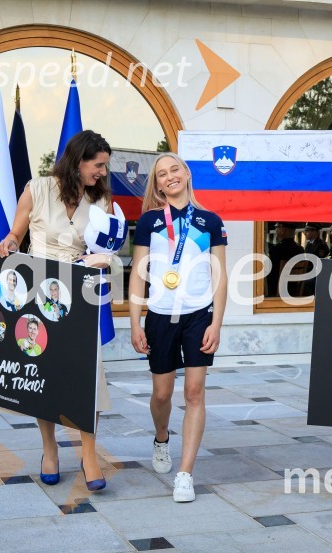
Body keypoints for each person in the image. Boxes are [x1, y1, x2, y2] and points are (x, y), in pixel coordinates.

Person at [0, 130, 119, 492]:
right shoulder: (37, 189)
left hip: (81, 292)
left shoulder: (102, 198)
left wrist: (103, 259)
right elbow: (16, 234)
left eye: (104, 167)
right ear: (78, 160)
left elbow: (106, 246)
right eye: (98, 165)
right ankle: (50, 450)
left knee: (87, 377)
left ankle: (89, 453)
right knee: (42, 373)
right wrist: (10, 242)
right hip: (39, 288)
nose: (102, 173)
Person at [129, 152, 227, 503]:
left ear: (186, 173)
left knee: (194, 393)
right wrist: (135, 322)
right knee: (162, 395)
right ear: (157, 185)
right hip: (158, 316)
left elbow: (220, 277)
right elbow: (138, 276)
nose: (169, 177)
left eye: (174, 170)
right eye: (161, 174)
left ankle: (185, 474)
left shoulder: (211, 220)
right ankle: (161, 438)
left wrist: (216, 322)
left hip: (198, 315)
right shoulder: (149, 221)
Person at [267, 222, 304, 297]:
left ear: (282, 231)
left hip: (277, 291)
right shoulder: (300, 249)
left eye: (277, 228)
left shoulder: (276, 249)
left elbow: (271, 272)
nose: (275, 230)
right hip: (294, 289)